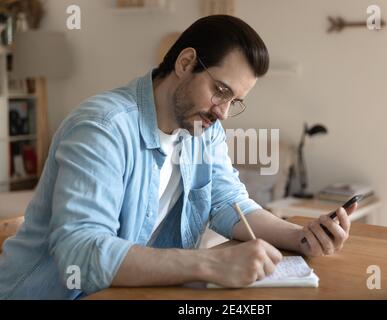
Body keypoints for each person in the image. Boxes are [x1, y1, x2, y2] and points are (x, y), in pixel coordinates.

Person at [0, 15, 356, 299]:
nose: (224, 113)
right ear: (186, 62)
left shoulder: (204, 128)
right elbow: (80, 254)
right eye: (220, 91)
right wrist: (209, 263)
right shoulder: (102, 128)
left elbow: (227, 202)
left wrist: (301, 237)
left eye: (234, 101)